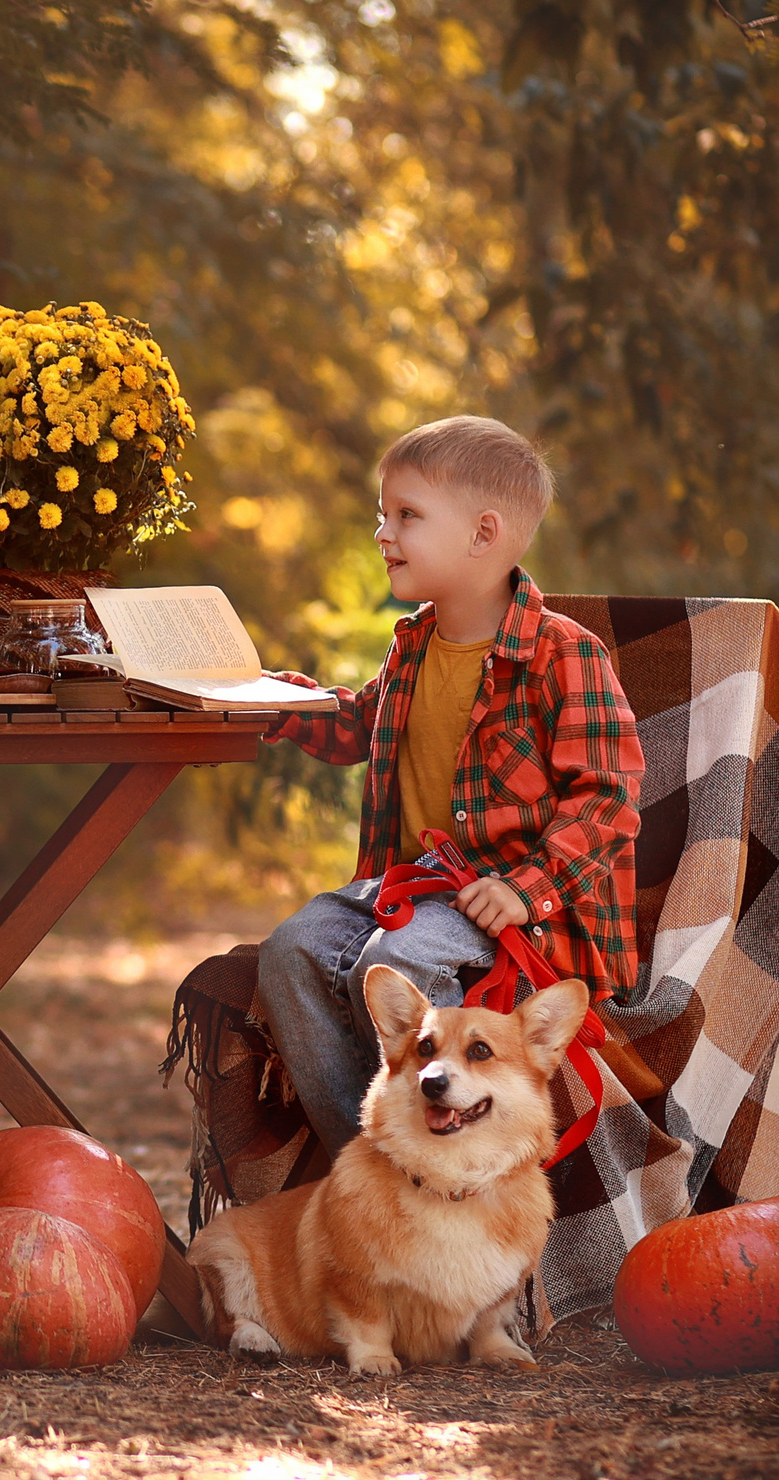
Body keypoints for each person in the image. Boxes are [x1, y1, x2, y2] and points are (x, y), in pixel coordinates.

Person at [254, 415, 644, 1158]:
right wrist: (276, 702)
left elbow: (608, 797)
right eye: (383, 514)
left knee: (393, 965)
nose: (383, 532)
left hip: (513, 902)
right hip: (415, 886)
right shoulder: (412, 646)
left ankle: (428, 1157)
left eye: (406, 515)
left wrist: (528, 886)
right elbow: (359, 726)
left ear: (483, 534)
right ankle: (369, 1158)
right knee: (291, 949)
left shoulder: (564, 655)